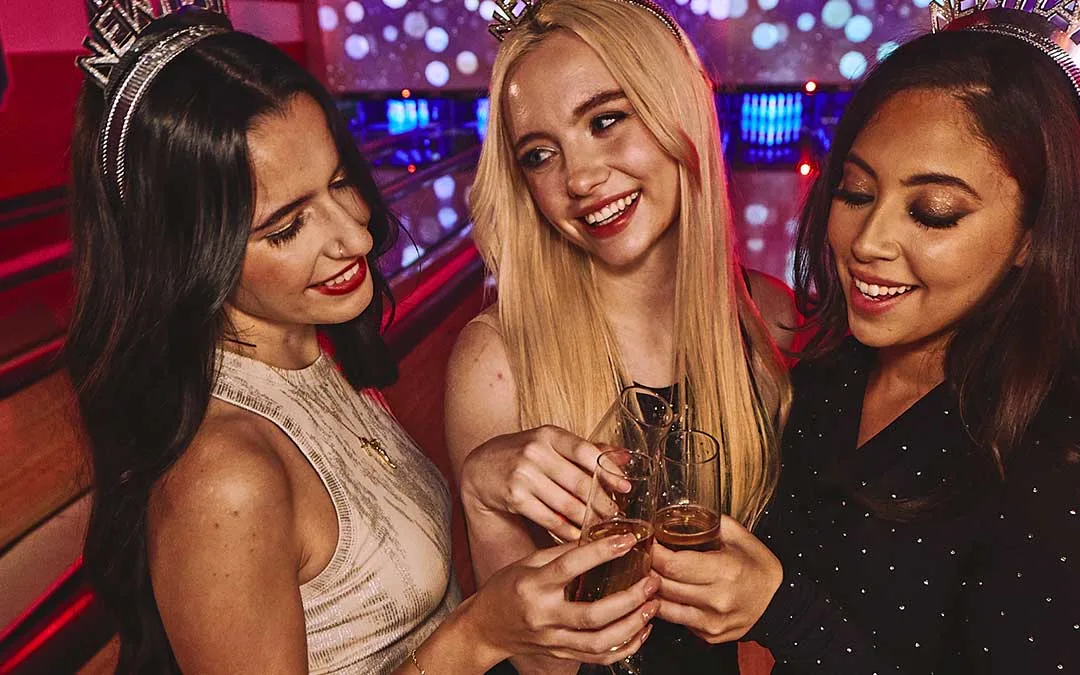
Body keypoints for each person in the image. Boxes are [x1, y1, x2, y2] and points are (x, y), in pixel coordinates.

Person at [66, 6, 658, 674]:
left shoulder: (309, 361)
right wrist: (478, 633)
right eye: (286, 227)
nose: (357, 235)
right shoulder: (225, 479)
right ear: (186, 253)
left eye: (340, 181)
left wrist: (487, 491)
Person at [647, 7, 1080, 673]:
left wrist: (781, 608)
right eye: (856, 191)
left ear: (1032, 234)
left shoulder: (1052, 457)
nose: (867, 242)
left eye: (932, 213)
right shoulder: (829, 373)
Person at [445, 0, 794, 672]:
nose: (578, 179)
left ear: (676, 107)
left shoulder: (767, 321)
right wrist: (484, 504)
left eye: (606, 120)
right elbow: (540, 668)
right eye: (540, 155)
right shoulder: (496, 360)